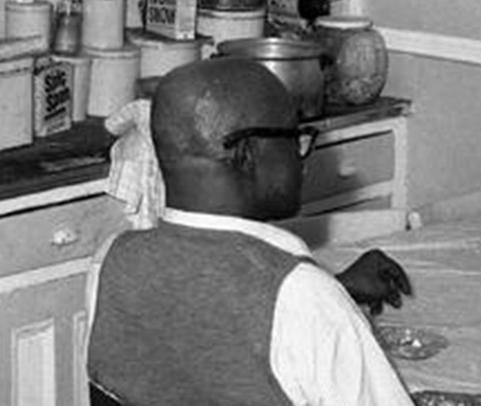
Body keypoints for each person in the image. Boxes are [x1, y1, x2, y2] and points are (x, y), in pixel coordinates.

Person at [86, 58, 414, 405]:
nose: (303, 155)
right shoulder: (305, 298)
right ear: (246, 154)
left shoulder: (111, 261)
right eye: (294, 137)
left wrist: (335, 287)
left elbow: (195, 325)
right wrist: (323, 295)